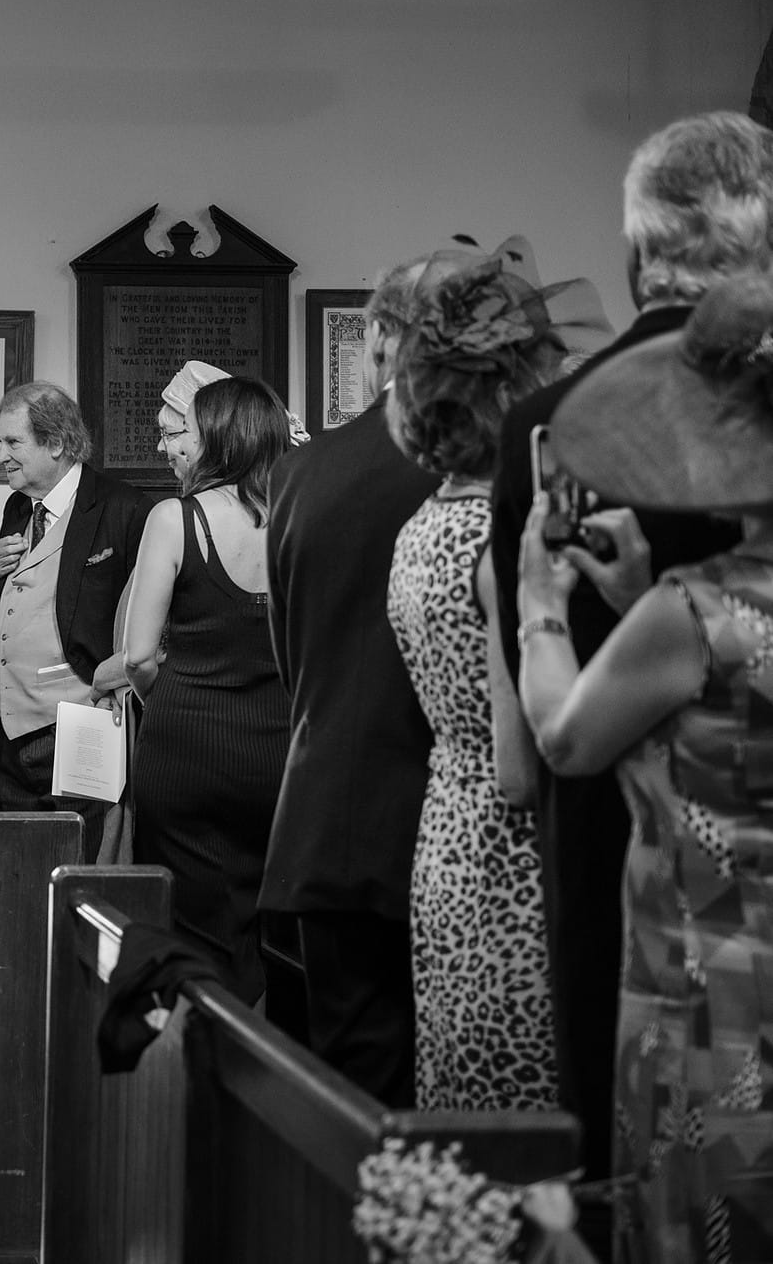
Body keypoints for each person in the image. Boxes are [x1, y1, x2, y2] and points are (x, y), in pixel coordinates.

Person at [490, 110, 772, 1207]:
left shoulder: (556, 425)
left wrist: (536, 605)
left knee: (652, 1175)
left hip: (648, 889)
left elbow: (555, 734)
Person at [386, 241, 607, 1111]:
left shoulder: (421, 524)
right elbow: (522, 768)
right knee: (529, 1118)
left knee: (465, 1105)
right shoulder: (503, 541)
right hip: (514, 862)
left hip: (445, 836)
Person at [261, 258, 438, 1107]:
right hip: (451, 818)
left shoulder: (304, 471)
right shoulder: (485, 466)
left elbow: (293, 656)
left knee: (346, 1093)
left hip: (325, 816)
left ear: (374, 342)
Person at [119, 369, 294, 1003]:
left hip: (186, 742)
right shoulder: (299, 517)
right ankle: (263, 1061)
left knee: (188, 922)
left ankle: (191, 1076)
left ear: (217, 436)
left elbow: (138, 655)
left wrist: (166, 697)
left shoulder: (174, 519)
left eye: (179, 432)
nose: (168, 448)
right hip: (278, 746)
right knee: (267, 920)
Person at [0, 381, 152, 859]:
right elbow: (13, 605)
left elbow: (156, 621)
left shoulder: (127, 510)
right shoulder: (17, 506)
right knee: (19, 881)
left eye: (12, 443)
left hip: (80, 728)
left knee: (81, 877)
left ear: (56, 443)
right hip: (9, 735)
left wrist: (115, 677)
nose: (0, 458)